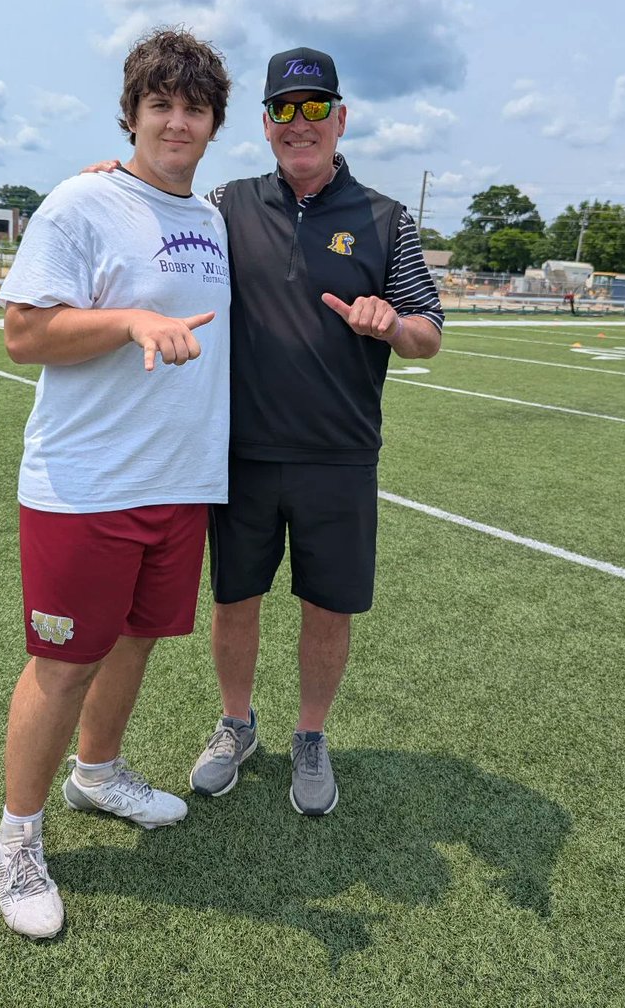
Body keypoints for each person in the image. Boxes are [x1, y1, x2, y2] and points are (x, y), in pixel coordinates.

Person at [0, 27, 231, 938]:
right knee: (64, 664)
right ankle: (19, 837)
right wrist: (128, 318)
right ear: (131, 114)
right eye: (160, 104)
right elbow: (23, 332)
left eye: (193, 108)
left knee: (135, 642)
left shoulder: (209, 219)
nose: (176, 121)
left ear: (213, 124)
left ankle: (98, 775)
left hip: (179, 483)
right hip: (85, 485)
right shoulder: (80, 203)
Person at [187, 47, 444, 816]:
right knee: (235, 600)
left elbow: (429, 331)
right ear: (265, 125)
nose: (299, 125)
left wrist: (392, 323)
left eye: (314, 108)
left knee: (327, 607)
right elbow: (153, 216)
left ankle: (309, 735)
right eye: (283, 111)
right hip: (241, 453)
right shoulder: (224, 203)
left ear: (340, 118)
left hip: (338, 457)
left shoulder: (384, 219)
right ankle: (237, 724)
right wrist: (114, 179)